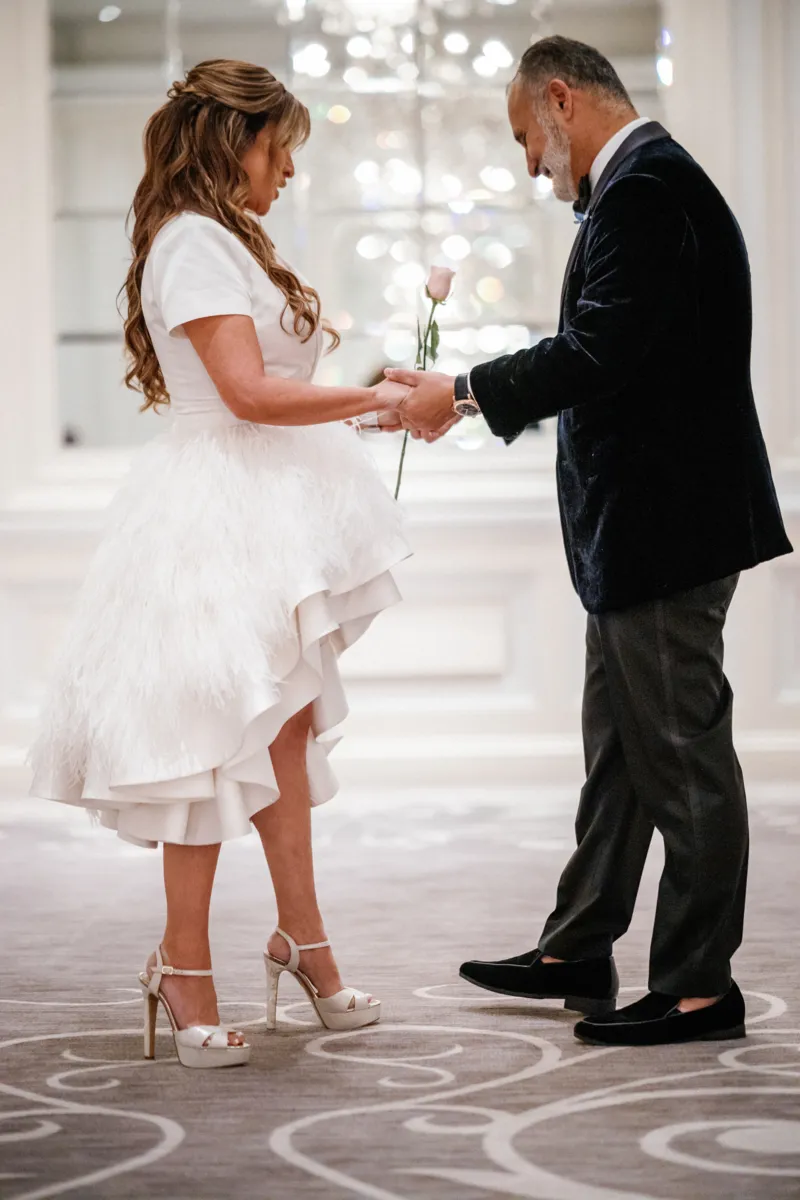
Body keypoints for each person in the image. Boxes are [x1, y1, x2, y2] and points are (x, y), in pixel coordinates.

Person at [386, 35, 793, 1047]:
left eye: (527, 137)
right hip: (640, 533)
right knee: (620, 755)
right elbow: (620, 356)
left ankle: (699, 989)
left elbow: (597, 350)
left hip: (664, 530)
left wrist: (465, 390)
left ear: (560, 101)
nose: (530, 164)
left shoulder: (645, 191)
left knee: (683, 760)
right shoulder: (641, 188)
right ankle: (577, 946)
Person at [28, 59, 410, 1070]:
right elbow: (244, 393)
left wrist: (373, 393)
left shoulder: (232, 237)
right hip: (214, 512)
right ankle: (182, 965)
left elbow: (276, 383)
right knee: (211, 736)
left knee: (278, 735)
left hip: (268, 506)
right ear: (228, 142)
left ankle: (303, 945)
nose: (285, 168)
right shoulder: (193, 241)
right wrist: (375, 403)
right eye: (276, 146)